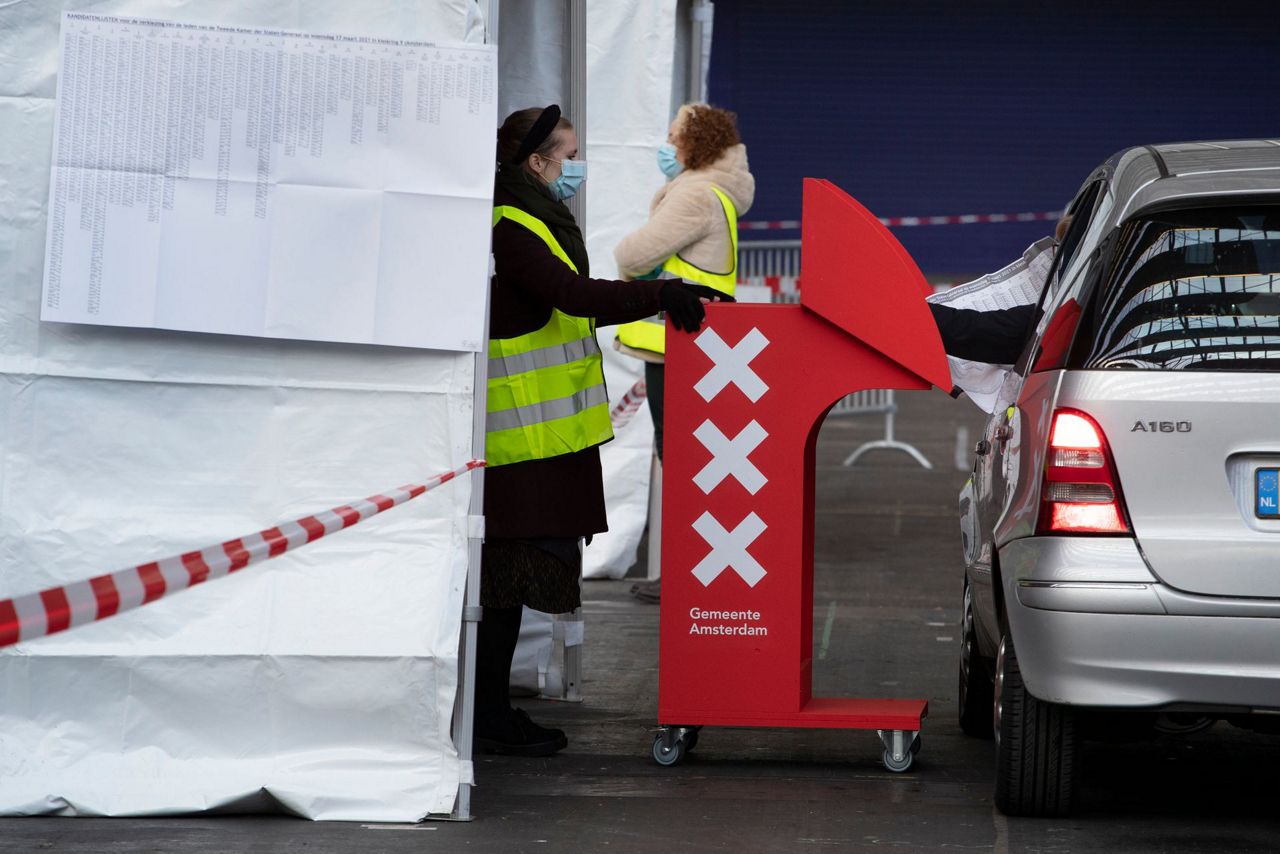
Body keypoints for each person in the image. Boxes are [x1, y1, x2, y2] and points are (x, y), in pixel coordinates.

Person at [478, 104, 730, 757]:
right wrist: (659, 293)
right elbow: (572, 294)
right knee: (503, 582)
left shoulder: (536, 214)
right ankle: (487, 716)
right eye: (569, 153)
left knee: (512, 579)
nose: (577, 166)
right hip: (517, 443)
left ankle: (492, 710)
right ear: (536, 162)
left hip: (544, 440)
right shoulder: (512, 223)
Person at [612, 103, 755, 604]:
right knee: (694, 462)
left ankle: (684, 576)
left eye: (673, 138)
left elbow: (632, 255)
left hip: (675, 346)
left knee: (679, 461)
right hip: (699, 347)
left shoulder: (694, 195)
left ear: (694, 146)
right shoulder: (719, 194)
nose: (666, 147)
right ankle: (694, 571)